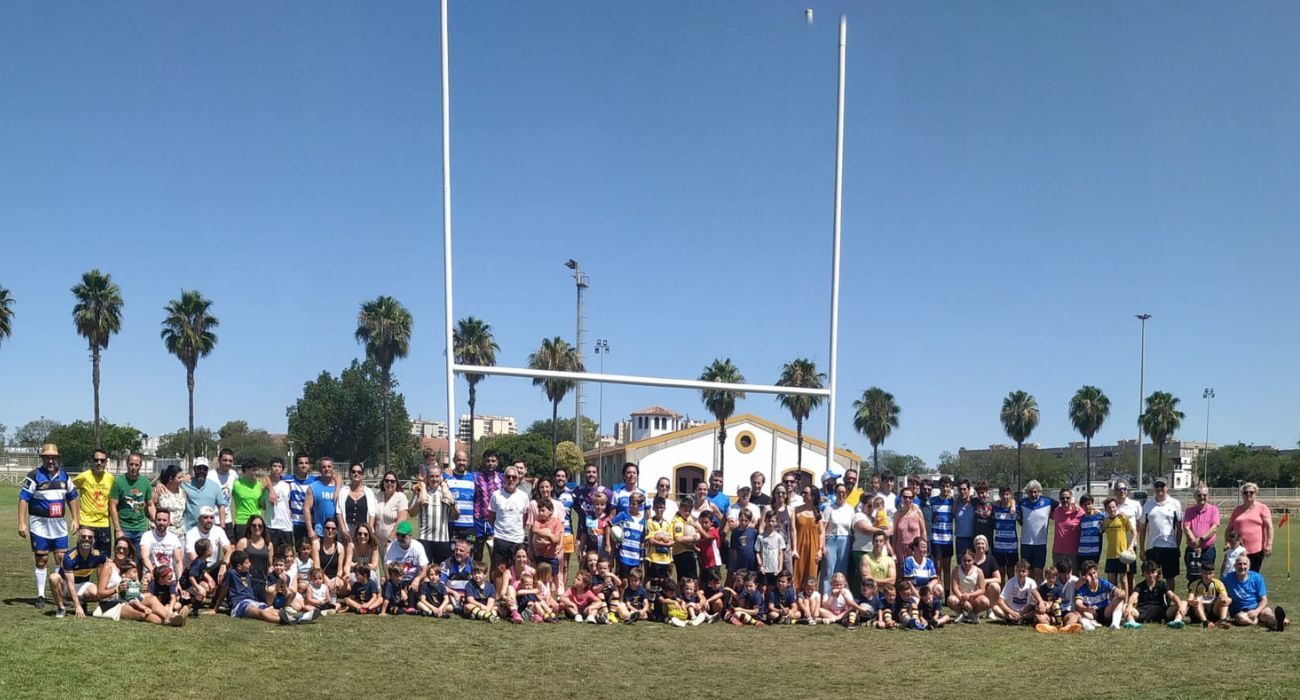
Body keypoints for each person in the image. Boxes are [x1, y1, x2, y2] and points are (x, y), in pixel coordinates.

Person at [19, 443, 80, 609]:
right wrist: (22, 522)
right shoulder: (34, 476)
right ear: (43, 459)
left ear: (57, 458)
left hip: (58, 524)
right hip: (39, 524)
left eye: (53, 458)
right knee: (42, 559)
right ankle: (41, 595)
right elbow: (23, 498)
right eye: (47, 458)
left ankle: (60, 592)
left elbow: (72, 497)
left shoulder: (64, 476)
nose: (51, 461)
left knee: (61, 559)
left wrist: (75, 518)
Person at [216, 550, 317, 625]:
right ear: (239, 566)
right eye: (247, 563)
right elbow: (223, 591)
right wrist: (215, 608)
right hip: (239, 604)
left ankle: (300, 617)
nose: (250, 564)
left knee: (272, 610)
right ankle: (285, 621)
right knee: (261, 613)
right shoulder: (231, 573)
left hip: (252, 601)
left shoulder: (247, 573)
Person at [487, 464, 529, 591]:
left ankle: (515, 596)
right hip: (501, 538)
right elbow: (491, 517)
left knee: (518, 569)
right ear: (503, 478)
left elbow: (525, 518)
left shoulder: (523, 496)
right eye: (508, 477)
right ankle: (500, 597)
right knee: (500, 569)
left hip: (517, 539)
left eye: (514, 477)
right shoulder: (496, 495)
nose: (511, 479)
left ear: (518, 479)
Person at [50, 527, 107, 618]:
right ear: (79, 538)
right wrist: (77, 606)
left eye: (90, 537)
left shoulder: (98, 555)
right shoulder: (70, 557)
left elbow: (110, 564)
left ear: (94, 540)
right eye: (83, 536)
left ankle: (83, 602)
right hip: (66, 586)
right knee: (53, 577)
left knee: (98, 592)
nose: (87, 539)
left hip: (82, 584)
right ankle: (61, 607)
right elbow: (70, 584)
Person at [1222, 553, 1285, 630]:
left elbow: (1264, 599)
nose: (1242, 567)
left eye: (1245, 564)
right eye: (1239, 564)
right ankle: (1265, 622)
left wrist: (1256, 611)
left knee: (1267, 614)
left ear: (1249, 566)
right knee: (1240, 618)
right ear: (1235, 566)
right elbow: (1222, 595)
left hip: (1257, 608)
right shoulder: (1227, 579)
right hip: (1241, 612)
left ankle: (1276, 622)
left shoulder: (1257, 577)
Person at [108, 452, 153, 559]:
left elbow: (150, 505)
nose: (133, 467)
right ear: (127, 464)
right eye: (131, 464)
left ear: (140, 466)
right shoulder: (119, 482)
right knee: (122, 559)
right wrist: (118, 529)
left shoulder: (145, 482)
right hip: (124, 528)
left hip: (141, 528)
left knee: (139, 560)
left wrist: (155, 520)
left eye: (136, 465)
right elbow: (112, 505)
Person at [411, 462, 457, 564]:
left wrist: (452, 504)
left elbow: (455, 516)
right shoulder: (421, 491)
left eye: (437, 476)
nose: (434, 479)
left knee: (441, 571)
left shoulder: (446, 491)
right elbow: (412, 514)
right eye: (431, 476)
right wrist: (419, 501)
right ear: (427, 477)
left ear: (440, 477)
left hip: (442, 539)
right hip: (424, 538)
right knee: (424, 569)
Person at [1139, 478, 1183, 583]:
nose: (1159, 489)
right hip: (1152, 547)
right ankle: (1155, 599)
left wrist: (1177, 546)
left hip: (1170, 547)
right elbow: (1143, 529)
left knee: (1170, 577)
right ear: (1154, 488)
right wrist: (1141, 549)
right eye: (1157, 486)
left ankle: (1169, 599)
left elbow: (1179, 528)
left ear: (1167, 487)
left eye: (1162, 486)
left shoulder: (1175, 503)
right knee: (1152, 576)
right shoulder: (1148, 505)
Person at [72, 448, 115, 552]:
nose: (99, 463)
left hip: (104, 524)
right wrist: (75, 518)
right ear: (92, 461)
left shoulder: (110, 478)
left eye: (102, 460)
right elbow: (69, 490)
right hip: (86, 523)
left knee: (104, 560)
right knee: (85, 558)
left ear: (106, 462)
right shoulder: (84, 476)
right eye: (96, 460)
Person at [184, 506, 232, 591]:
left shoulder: (218, 530)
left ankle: (221, 599)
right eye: (205, 517)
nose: (209, 520)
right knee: (206, 587)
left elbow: (229, 550)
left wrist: (224, 565)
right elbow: (193, 558)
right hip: (197, 569)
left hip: (213, 566)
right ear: (199, 519)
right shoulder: (191, 533)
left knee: (231, 567)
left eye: (211, 517)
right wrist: (207, 577)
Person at [1228, 483, 1273, 572]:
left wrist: (1269, 544)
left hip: (1256, 550)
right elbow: (1229, 528)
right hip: (1238, 549)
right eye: (1245, 492)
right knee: (1237, 574)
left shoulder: (1262, 508)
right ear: (1242, 494)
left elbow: (1269, 527)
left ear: (1256, 493)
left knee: (1253, 575)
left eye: (1251, 492)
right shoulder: (1237, 510)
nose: (1248, 494)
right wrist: (1227, 543)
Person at [1128, 559, 1185, 629]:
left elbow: (1172, 596)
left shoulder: (1162, 584)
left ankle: (1177, 621)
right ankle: (1131, 623)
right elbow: (1133, 597)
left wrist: (1179, 605)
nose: (1151, 575)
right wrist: (1129, 606)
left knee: (1183, 603)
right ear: (1143, 574)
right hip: (1142, 612)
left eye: (1153, 572)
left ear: (1157, 572)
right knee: (1125, 607)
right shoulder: (1140, 586)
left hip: (1161, 612)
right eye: (1148, 573)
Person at [1181, 484, 1220, 585]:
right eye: (1199, 495)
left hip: (1208, 550)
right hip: (1192, 550)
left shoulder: (1213, 510)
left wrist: (1201, 540)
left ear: (1208, 496)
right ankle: (1192, 599)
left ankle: (1207, 599)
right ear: (1195, 496)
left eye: (1204, 495)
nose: (1202, 497)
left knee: (1208, 576)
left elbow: (1214, 528)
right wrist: (1195, 543)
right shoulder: (1189, 511)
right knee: (1193, 577)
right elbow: (1186, 528)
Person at [1073, 559, 1125, 630]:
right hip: (1091, 613)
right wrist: (1087, 609)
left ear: (1097, 572)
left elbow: (1121, 594)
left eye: (1094, 573)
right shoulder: (1083, 587)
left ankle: (1115, 624)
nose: (1093, 576)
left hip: (1105, 612)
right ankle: (1088, 624)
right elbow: (1078, 603)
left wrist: (1120, 593)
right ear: (1085, 576)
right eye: (1090, 574)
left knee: (1119, 600)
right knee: (1078, 612)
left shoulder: (1103, 583)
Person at [1017, 480, 1053, 582]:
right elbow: (1013, 508)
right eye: (1030, 492)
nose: (1033, 494)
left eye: (1035, 492)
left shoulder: (1048, 502)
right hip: (1026, 543)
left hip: (1040, 544)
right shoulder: (1022, 503)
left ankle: (1039, 596)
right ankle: (1028, 596)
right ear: (1027, 492)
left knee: (1038, 572)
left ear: (1039, 491)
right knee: (1027, 572)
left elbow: (1063, 506)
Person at [821, 483, 854, 595]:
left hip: (845, 540)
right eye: (839, 492)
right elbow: (823, 529)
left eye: (843, 492)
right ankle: (826, 596)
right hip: (831, 540)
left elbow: (853, 527)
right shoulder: (829, 509)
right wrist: (822, 546)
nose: (841, 494)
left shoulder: (850, 509)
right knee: (829, 570)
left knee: (842, 571)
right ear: (835, 494)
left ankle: (841, 598)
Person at [472, 451, 504, 563]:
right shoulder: (475, 477)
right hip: (478, 521)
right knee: (477, 556)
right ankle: (476, 580)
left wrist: (534, 480)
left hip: (495, 522)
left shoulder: (502, 478)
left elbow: (518, 480)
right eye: (488, 461)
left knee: (495, 558)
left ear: (497, 462)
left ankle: (494, 580)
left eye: (493, 461)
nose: (490, 463)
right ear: (483, 461)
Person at [180, 457, 227, 533]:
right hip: (189, 530)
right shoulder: (185, 484)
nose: (202, 471)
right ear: (194, 469)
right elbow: (169, 484)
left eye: (205, 469)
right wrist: (159, 485)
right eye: (199, 468)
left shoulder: (215, 486)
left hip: (209, 530)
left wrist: (222, 526)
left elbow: (221, 506)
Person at [384, 521, 429, 594]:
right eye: (398, 535)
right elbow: (388, 570)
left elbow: (424, 568)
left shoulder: (418, 546)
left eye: (403, 535)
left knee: (426, 580)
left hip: (414, 579)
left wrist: (417, 579)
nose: (399, 538)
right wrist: (397, 588)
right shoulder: (392, 546)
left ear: (410, 535)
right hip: (397, 580)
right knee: (384, 581)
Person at [227, 458, 266, 543]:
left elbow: (262, 506)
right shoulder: (236, 484)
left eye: (257, 470)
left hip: (256, 522)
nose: (255, 473)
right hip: (242, 522)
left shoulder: (259, 485)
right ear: (246, 469)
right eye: (253, 470)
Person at [236, 515, 273, 603]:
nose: (257, 528)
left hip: (262, 582)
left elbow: (270, 565)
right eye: (254, 525)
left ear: (263, 528)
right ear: (249, 527)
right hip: (247, 581)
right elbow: (236, 565)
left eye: (260, 526)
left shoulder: (268, 545)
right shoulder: (243, 542)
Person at [892, 488, 927, 579]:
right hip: (901, 549)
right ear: (901, 498)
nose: (908, 500)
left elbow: (923, 532)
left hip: (915, 549)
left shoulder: (918, 512)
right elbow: (895, 534)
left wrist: (924, 549)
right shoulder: (897, 514)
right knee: (902, 577)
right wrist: (894, 552)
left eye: (910, 497)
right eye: (905, 497)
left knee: (916, 575)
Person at [993, 559, 1043, 626]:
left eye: (1023, 571)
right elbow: (1000, 600)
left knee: (1038, 609)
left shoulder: (1031, 582)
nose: (1021, 574)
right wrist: (1012, 612)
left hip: (1025, 611)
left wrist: (1041, 602)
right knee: (995, 607)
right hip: (1012, 610)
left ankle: (1018, 618)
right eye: (1019, 571)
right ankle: (1010, 618)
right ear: (1016, 571)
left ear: (1028, 572)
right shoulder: (1010, 582)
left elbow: (1035, 592)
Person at [947, 548, 990, 623]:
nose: (966, 563)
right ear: (961, 560)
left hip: (973, 599)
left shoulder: (978, 571)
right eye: (964, 561)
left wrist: (969, 595)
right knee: (950, 599)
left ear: (973, 560)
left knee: (985, 602)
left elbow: (982, 589)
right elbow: (955, 588)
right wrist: (963, 599)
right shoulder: (956, 570)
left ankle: (973, 613)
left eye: (969, 561)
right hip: (960, 598)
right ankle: (960, 614)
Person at [337, 461, 377, 543]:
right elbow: (339, 512)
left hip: (362, 532)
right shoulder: (343, 491)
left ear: (362, 475)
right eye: (353, 472)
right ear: (349, 474)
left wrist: (368, 531)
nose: (356, 474)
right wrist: (343, 529)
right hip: (346, 529)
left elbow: (372, 514)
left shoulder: (369, 492)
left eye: (359, 472)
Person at [1102, 497, 1137, 587]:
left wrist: (1131, 546)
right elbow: (1101, 530)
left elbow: (1134, 533)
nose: (1112, 509)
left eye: (1113, 507)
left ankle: (1125, 601)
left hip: (1122, 555)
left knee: (1123, 580)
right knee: (1111, 583)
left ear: (1117, 507)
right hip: (1110, 556)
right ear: (1106, 509)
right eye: (1109, 507)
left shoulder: (1123, 518)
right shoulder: (1105, 522)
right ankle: (1114, 601)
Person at [611, 492, 649, 577]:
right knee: (623, 580)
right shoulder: (623, 515)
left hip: (636, 556)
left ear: (640, 505)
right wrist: (616, 535)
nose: (631, 505)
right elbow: (611, 525)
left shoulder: (643, 521)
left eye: (634, 504)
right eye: (630, 503)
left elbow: (643, 539)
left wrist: (642, 555)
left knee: (634, 579)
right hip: (623, 555)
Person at [928, 477, 955, 594]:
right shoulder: (933, 500)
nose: (945, 488)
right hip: (936, 539)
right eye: (943, 486)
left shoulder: (952, 501)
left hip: (948, 539)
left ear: (950, 487)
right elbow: (929, 516)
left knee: (947, 567)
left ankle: (947, 594)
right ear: (939, 487)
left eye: (947, 486)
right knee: (937, 567)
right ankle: (938, 592)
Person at [793, 485, 822, 590]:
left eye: (806, 493)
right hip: (799, 546)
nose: (803, 495)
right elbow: (793, 530)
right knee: (798, 573)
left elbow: (821, 533)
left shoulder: (818, 513)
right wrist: (794, 548)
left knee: (811, 574)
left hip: (813, 547)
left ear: (813, 496)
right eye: (803, 493)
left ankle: (810, 599)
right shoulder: (796, 510)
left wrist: (820, 550)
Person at [140, 509, 183, 582]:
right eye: (159, 520)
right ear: (154, 521)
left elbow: (178, 561)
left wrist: (178, 580)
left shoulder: (174, 538)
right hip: (152, 573)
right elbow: (145, 558)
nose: (161, 522)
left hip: (168, 575)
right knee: (146, 579)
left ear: (169, 522)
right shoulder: (147, 536)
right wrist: (156, 574)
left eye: (164, 520)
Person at [285, 453, 317, 548]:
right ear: (295, 466)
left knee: (312, 550)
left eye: (306, 463)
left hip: (311, 522)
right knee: (298, 551)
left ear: (309, 466)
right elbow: (269, 478)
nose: (304, 465)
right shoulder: (288, 480)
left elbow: (336, 477)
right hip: (295, 522)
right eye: (301, 463)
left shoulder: (315, 481)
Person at [374, 471, 409, 555]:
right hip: (378, 541)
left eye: (392, 481)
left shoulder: (400, 497)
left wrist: (390, 538)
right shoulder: (378, 495)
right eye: (386, 481)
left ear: (396, 483)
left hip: (394, 541)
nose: (389, 483)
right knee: (384, 566)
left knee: (393, 567)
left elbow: (401, 520)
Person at [445, 450, 476, 544]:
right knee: (452, 553)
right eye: (459, 460)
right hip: (452, 524)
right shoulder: (446, 476)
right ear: (454, 460)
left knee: (469, 553)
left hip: (470, 525)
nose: (462, 463)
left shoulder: (473, 477)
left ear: (467, 461)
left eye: (464, 460)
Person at [264, 458, 294, 554]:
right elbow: (264, 478)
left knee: (287, 554)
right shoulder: (264, 485)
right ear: (270, 468)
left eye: (279, 467)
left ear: (282, 469)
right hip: (270, 525)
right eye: (274, 466)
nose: (277, 469)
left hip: (286, 525)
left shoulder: (287, 485)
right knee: (271, 555)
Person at [640, 495, 673, 583]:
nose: (659, 510)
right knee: (651, 580)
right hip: (653, 558)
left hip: (666, 559)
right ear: (653, 508)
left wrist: (660, 537)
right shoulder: (650, 522)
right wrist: (665, 542)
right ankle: (645, 596)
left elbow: (672, 540)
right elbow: (651, 540)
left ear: (664, 508)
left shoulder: (668, 523)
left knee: (664, 582)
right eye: (657, 507)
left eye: (661, 507)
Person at [1050, 488, 1082, 574]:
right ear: (1059, 499)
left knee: (1073, 577)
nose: (1065, 500)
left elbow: (1090, 513)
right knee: (1058, 577)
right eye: (1062, 498)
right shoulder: (1056, 511)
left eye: (1067, 498)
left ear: (1071, 498)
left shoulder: (1078, 511)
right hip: (1057, 551)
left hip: (1073, 552)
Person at [308, 457, 342, 539]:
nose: (327, 469)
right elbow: (306, 508)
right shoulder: (313, 487)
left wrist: (337, 490)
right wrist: (310, 529)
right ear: (320, 470)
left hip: (337, 532)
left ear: (333, 468)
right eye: (324, 467)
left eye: (329, 466)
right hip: (320, 532)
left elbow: (338, 477)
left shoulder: (341, 489)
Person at [313, 518, 347, 595]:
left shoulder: (340, 547)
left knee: (346, 587)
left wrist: (337, 579)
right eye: (327, 528)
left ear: (337, 531)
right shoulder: (316, 544)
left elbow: (340, 569)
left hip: (335, 578)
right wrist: (326, 580)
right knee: (324, 587)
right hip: (320, 577)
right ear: (323, 529)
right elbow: (317, 567)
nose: (330, 530)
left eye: (333, 528)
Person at [671, 495, 700, 581]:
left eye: (689, 511)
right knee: (684, 579)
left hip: (688, 551)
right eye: (685, 510)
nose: (687, 513)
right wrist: (694, 538)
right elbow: (678, 538)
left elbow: (695, 527)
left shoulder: (688, 518)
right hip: (681, 553)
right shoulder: (677, 521)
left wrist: (697, 532)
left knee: (693, 577)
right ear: (680, 508)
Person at [1076, 495, 1104, 574]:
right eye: (1085, 504)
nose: (1088, 506)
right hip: (1082, 552)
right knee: (1084, 575)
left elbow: (1111, 517)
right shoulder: (1080, 519)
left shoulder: (1100, 516)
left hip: (1094, 551)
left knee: (1093, 574)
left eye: (1089, 503)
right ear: (1081, 506)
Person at [213, 448, 239, 532]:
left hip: (228, 520)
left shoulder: (233, 475)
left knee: (230, 545)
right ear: (219, 460)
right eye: (225, 460)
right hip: (212, 520)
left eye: (230, 461)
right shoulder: (210, 476)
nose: (227, 463)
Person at [953, 479, 977, 558]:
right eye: (960, 489)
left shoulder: (975, 503)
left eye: (964, 489)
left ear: (969, 490)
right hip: (960, 539)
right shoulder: (955, 504)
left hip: (972, 539)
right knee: (961, 565)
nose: (962, 491)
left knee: (973, 565)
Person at [972, 480, 995, 547]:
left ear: (987, 492)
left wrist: (1013, 503)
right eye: (979, 493)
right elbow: (962, 497)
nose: (981, 495)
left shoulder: (993, 504)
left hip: (988, 540)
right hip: (976, 540)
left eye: (982, 492)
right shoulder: (974, 502)